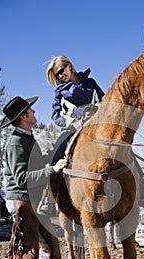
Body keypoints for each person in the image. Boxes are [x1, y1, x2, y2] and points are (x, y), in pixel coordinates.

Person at [0, 95, 68, 259]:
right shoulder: (16, 143)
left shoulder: (27, 138)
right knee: (28, 253)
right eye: (31, 111)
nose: (35, 114)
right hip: (24, 203)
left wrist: (57, 156)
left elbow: (36, 165)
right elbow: (21, 178)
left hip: (35, 202)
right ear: (23, 117)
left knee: (49, 246)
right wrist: (52, 170)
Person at [37, 56, 105, 215]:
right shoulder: (59, 92)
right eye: (57, 75)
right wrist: (73, 119)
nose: (60, 76)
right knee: (56, 154)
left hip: (97, 124)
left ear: (69, 66)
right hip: (72, 129)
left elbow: (105, 100)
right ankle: (49, 197)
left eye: (61, 71)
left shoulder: (90, 82)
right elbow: (55, 117)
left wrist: (95, 110)